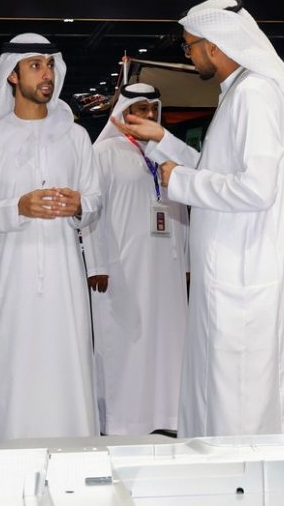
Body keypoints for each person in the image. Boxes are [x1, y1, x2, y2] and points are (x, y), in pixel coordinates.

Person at [112, 0, 284, 437]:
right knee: (221, 387)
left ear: (213, 46)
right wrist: (162, 139)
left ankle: (240, 472)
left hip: (243, 271)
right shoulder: (238, 94)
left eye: (190, 46)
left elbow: (256, 188)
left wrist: (180, 181)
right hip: (229, 268)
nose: (189, 55)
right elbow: (216, 170)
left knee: (240, 392)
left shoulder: (255, 94)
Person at [0, 33, 102, 444]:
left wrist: (80, 205)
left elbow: (95, 201)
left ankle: (74, 450)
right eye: (36, 66)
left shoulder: (75, 137)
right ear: (12, 75)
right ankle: (10, 450)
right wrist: (17, 207)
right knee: (15, 369)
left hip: (64, 282)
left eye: (50, 64)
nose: (46, 74)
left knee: (67, 366)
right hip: (13, 283)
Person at [81, 83, 189, 435]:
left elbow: (183, 210)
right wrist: (96, 264)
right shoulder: (104, 152)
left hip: (167, 268)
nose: (148, 115)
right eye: (140, 109)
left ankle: (167, 415)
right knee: (125, 342)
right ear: (123, 113)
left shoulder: (165, 153)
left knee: (168, 341)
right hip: (122, 268)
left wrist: (188, 263)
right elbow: (91, 212)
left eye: (153, 109)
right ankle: (124, 420)